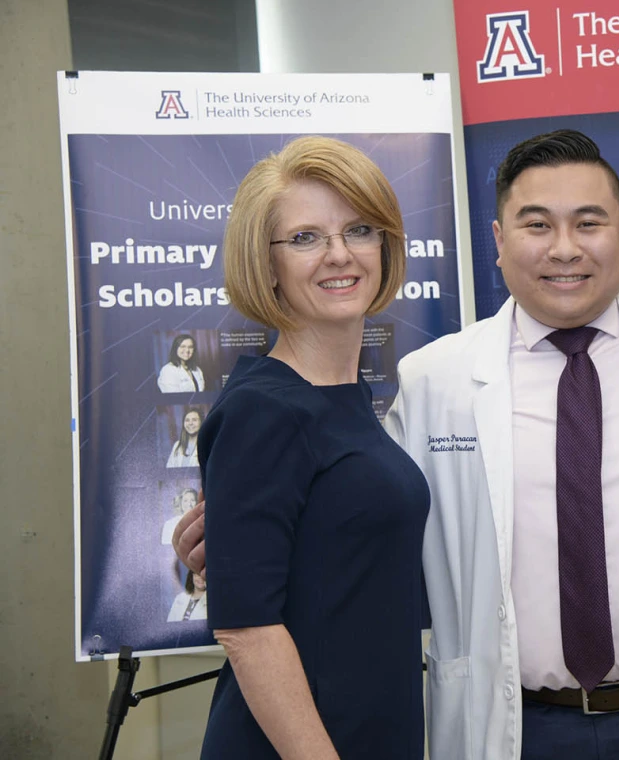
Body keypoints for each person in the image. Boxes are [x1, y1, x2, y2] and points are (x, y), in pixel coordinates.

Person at [176, 130, 619, 759]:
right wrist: (238, 549)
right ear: (499, 243)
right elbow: (312, 564)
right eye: (536, 225)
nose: (564, 248)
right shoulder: (432, 380)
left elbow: (362, 523)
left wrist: (249, 547)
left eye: (588, 222)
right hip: (514, 726)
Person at [195, 135, 429, 759]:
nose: (338, 255)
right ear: (264, 262)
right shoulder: (262, 409)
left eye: (359, 229)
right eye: (304, 238)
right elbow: (247, 631)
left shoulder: (347, 398)